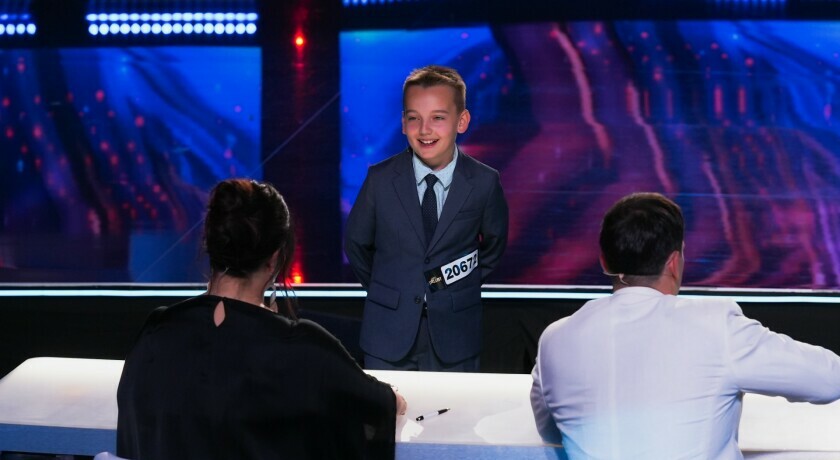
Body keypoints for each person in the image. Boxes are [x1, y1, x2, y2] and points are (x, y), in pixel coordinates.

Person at [530, 192, 840, 460]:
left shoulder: (555, 339)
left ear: (603, 261)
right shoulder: (715, 325)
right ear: (674, 262)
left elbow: (551, 432)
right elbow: (829, 379)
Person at [117, 178, 406, 460]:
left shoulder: (157, 331)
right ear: (275, 258)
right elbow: (384, 405)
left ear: (210, 244)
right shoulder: (305, 350)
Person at [345, 65, 509, 371]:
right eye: (414, 118)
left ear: (462, 121)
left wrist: (454, 285)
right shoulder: (380, 179)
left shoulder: (484, 182)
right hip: (387, 334)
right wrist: (391, 287)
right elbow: (356, 244)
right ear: (403, 123)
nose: (424, 130)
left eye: (438, 118)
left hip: (455, 334)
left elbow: (493, 247)